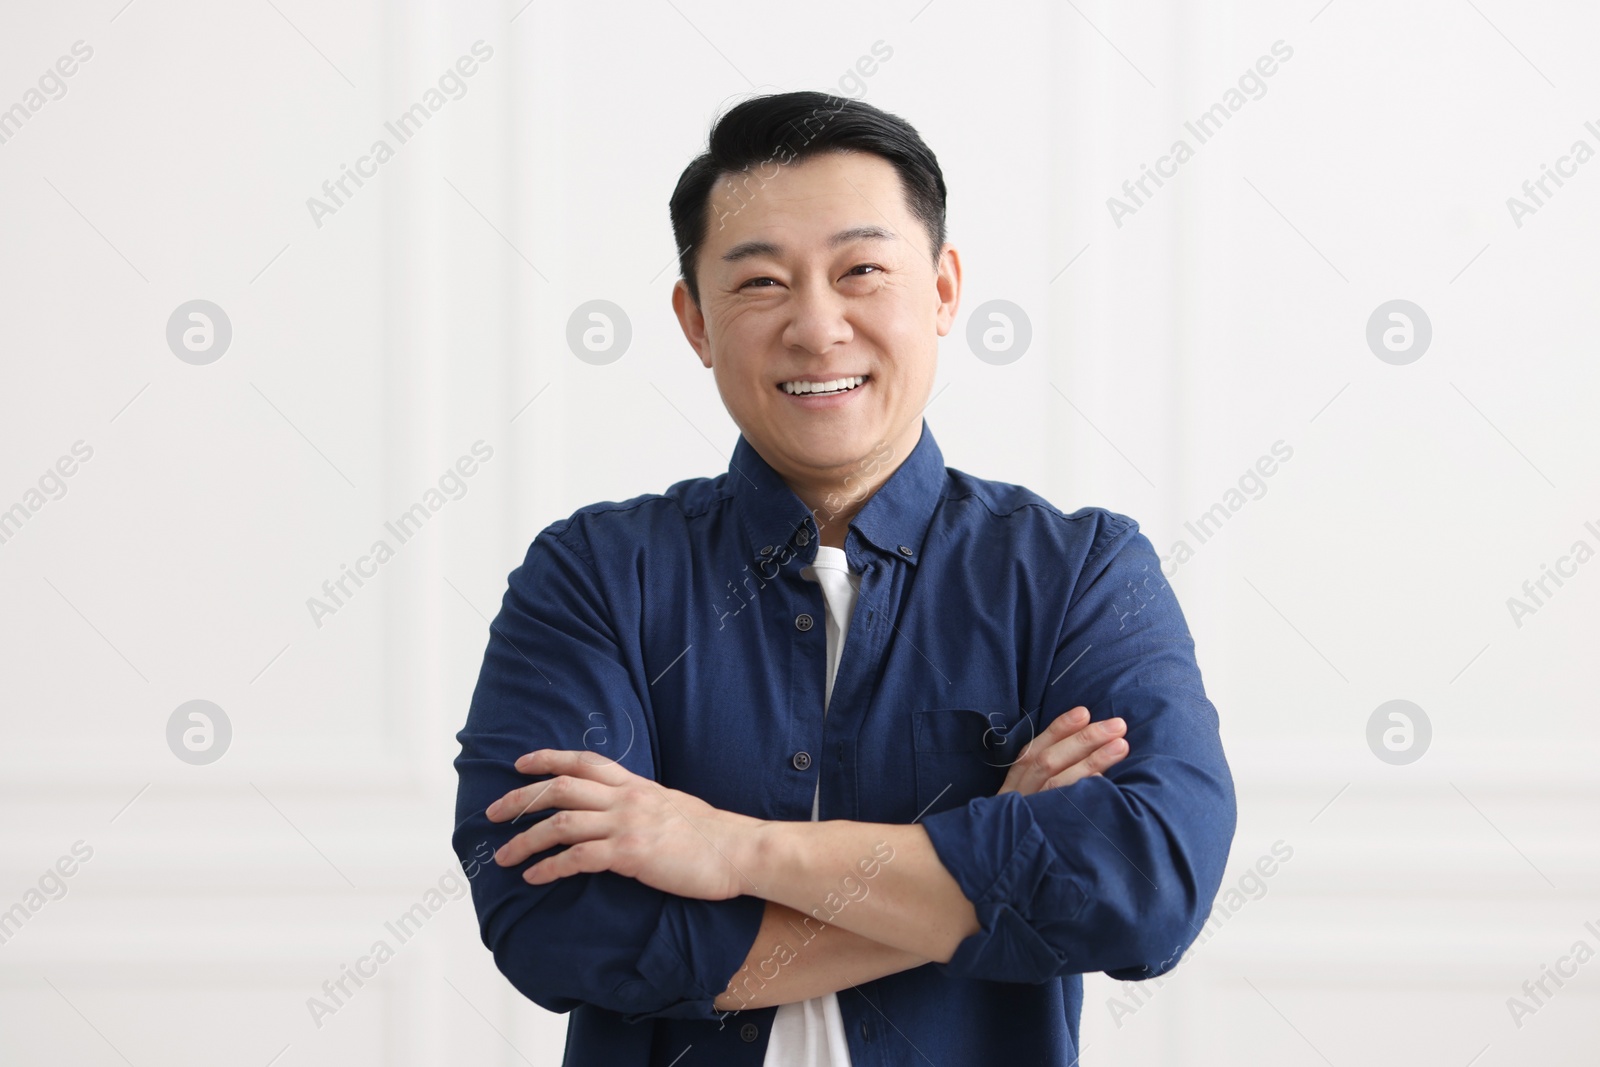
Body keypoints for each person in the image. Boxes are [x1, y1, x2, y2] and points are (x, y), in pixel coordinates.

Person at [451, 90, 1236, 1066]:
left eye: (861, 270)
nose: (818, 328)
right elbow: (560, 926)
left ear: (944, 289)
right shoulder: (594, 576)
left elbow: (1146, 883)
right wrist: (989, 846)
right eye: (761, 284)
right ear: (694, 321)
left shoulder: (1078, 571)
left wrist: (729, 848)